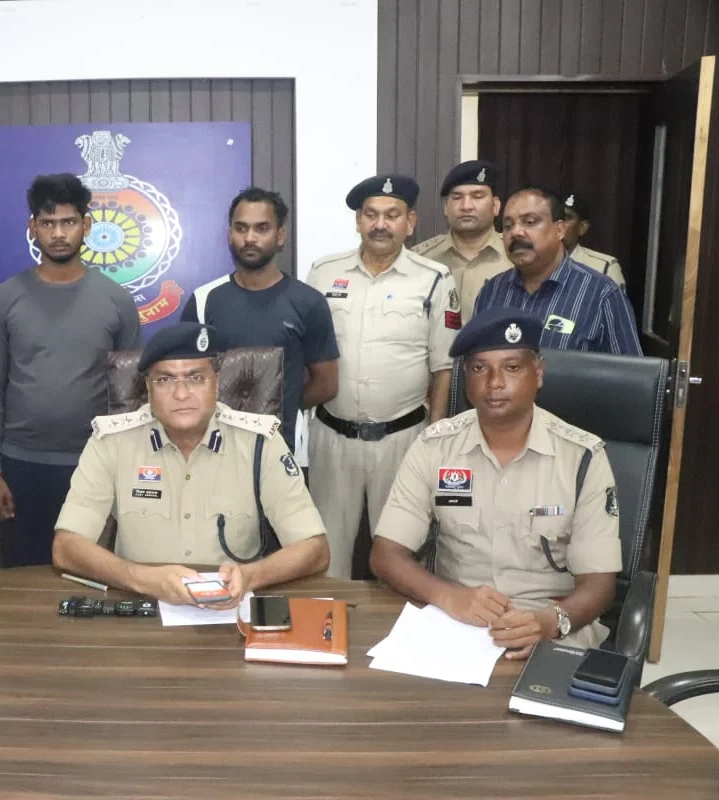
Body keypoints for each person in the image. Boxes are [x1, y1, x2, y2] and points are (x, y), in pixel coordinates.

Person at [369, 307, 622, 658]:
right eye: (479, 368)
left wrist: (551, 622)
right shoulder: (435, 447)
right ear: (465, 377)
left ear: (538, 373)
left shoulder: (583, 457)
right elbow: (386, 555)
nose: (495, 383)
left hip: (551, 629)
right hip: (456, 622)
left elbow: (600, 582)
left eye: (512, 367)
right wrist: (448, 597)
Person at [52, 323, 329, 606]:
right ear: (148, 388)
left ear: (216, 383)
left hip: (230, 609)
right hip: (140, 606)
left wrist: (251, 577)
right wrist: (141, 578)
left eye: (195, 378)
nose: (181, 393)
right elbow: (66, 547)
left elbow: (314, 549)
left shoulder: (260, 443)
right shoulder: (112, 442)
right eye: (165, 379)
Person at [0, 173, 142, 568]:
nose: (58, 233)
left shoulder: (116, 301)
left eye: (68, 222)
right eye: (47, 223)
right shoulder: (4, 300)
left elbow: (132, 397)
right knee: (22, 580)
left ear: (86, 225)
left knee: (92, 575)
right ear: (33, 228)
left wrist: (128, 468)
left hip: (94, 461)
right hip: (20, 465)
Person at [305, 174, 459, 578]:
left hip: (403, 439)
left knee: (401, 556)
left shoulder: (435, 278)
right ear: (358, 221)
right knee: (324, 557)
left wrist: (434, 435)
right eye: (371, 215)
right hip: (332, 436)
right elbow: (308, 355)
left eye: (392, 215)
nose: (380, 224)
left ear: (410, 222)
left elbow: (444, 366)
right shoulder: (323, 273)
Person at [182, 187, 339, 452]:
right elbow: (184, 376)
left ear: (280, 236)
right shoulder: (203, 299)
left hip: (281, 447)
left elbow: (326, 385)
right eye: (241, 228)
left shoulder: (308, 302)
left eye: (262, 228)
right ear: (230, 235)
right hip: (213, 447)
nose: (250, 238)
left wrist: (280, 405)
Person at [473, 187, 642, 355]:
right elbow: (471, 362)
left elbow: (628, 370)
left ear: (559, 230)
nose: (516, 232)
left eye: (529, 222)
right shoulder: (492, 291)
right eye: (508, 226)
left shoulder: (602, 294)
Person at [411, 160, 511, 323]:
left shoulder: (515, 257)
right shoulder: (421, 259)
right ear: (445, 207)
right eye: (457, 197)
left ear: (496, 206)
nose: (466, 206)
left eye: (477, 196)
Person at [560, 190, 627, 291]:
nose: (559, 223)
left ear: (582, 227)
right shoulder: (536, 262)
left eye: (567, 218)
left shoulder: (604, 268)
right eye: (556, 217)